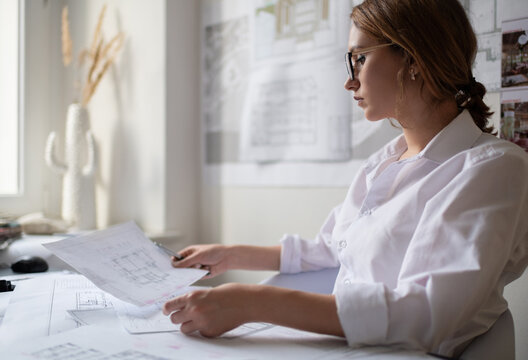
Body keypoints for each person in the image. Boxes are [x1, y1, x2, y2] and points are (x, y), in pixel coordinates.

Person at [162, 0, 528, 357]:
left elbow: (429, 313)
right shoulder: (381, 164)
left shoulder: (493, 168)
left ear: (414, 58)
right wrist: (228, 256)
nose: (349, 82)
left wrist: (252, 302)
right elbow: (331, 248)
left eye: (360, 59)